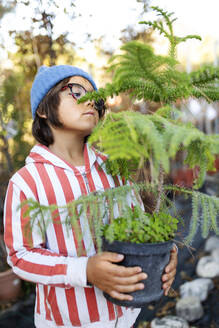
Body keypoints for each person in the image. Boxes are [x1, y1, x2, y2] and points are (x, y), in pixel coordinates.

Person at [3, 65, 177, 328]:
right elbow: (21, 256)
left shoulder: (114, 168)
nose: (90, 102)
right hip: (68, 322)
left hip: (126, 316)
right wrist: (83, 270)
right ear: (42, 108)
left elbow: (141, 225)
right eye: (75, 91)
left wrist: (166, 254)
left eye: (96, 97)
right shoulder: (28, 182)